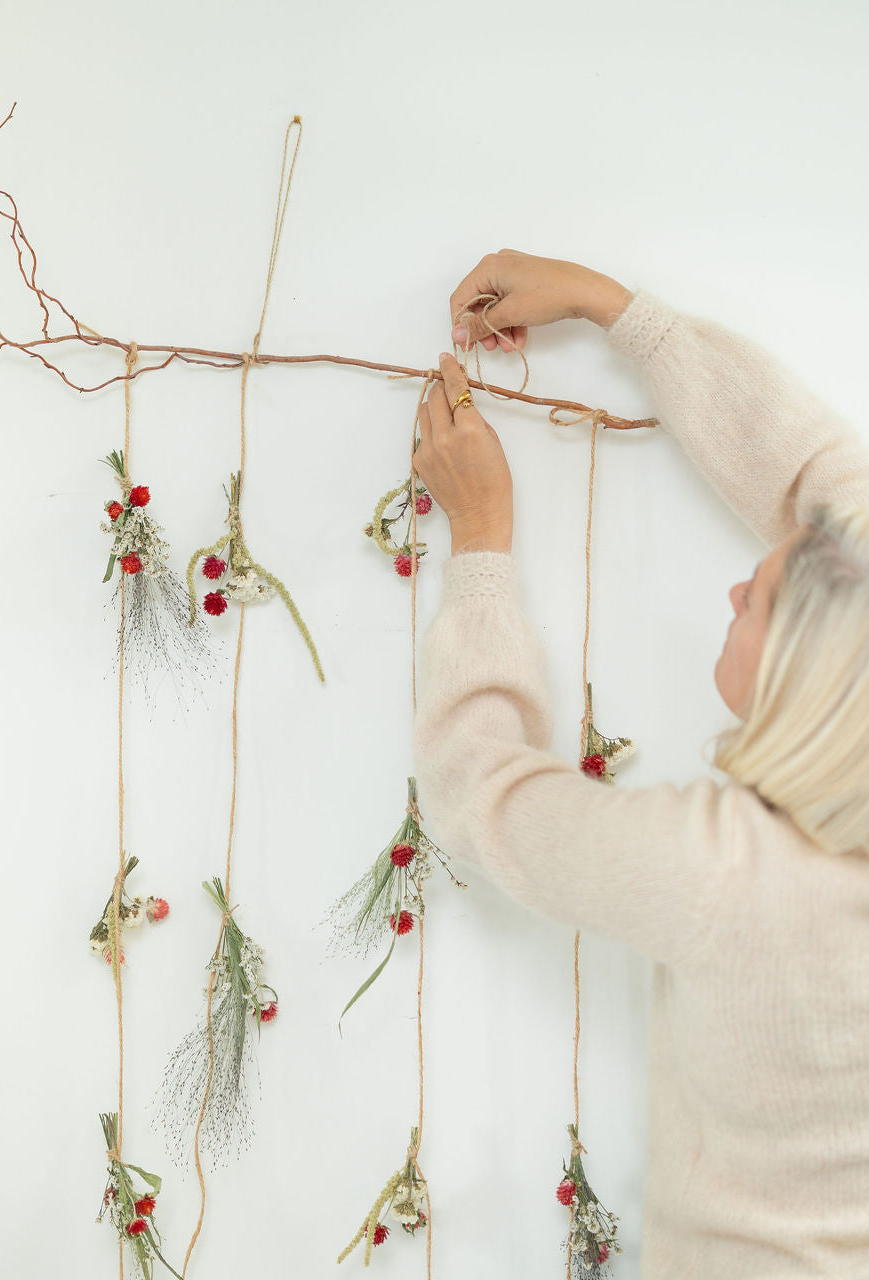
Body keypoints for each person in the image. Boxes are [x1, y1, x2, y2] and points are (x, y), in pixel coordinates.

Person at [410, 251, 869, 1277]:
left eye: (757, 600)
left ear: (808, 681)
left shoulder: (725, 873)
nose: (732, 595)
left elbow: (479, 793)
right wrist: (605, 305)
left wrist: (480, 543)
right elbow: (827, 489)